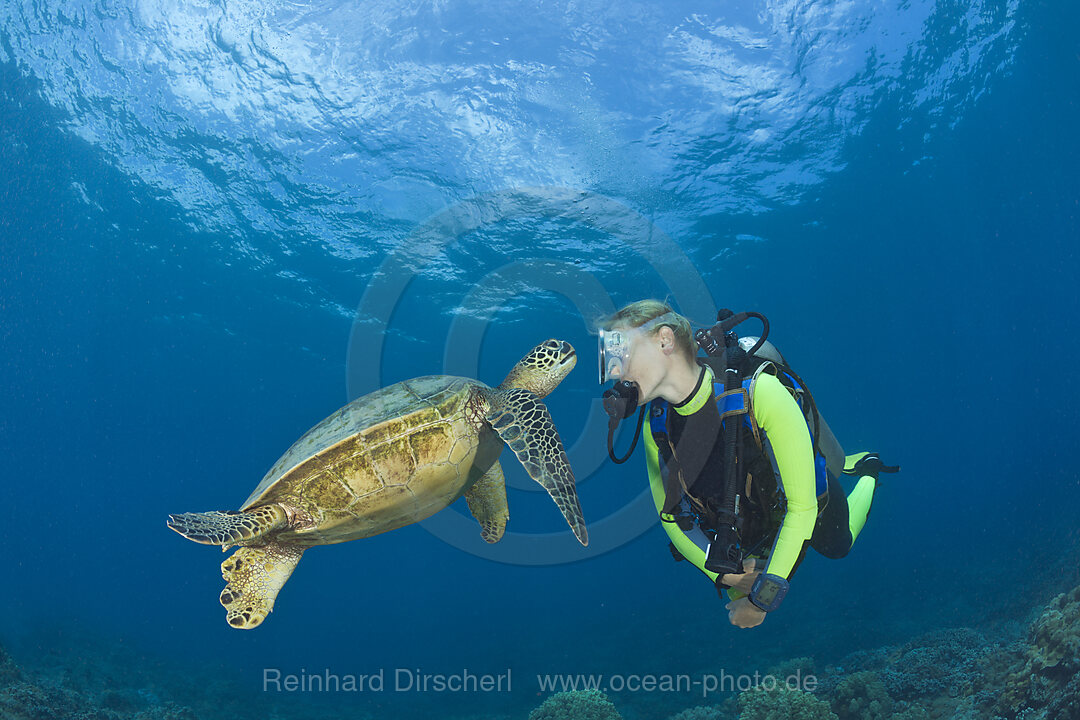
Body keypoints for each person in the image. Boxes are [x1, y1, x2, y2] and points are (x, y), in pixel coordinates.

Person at [598, 300, 898, 629]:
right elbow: (672, 516)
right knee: (741, 587)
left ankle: (866, 470)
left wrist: (761, 601)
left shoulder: (760, 393)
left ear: (665, 341)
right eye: (609, 353)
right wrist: (723, 574)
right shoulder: (656, 424)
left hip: (806, 498)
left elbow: (802, 508)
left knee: (839, 546)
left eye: (621, 349)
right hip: (750, 523)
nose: (613, 369)